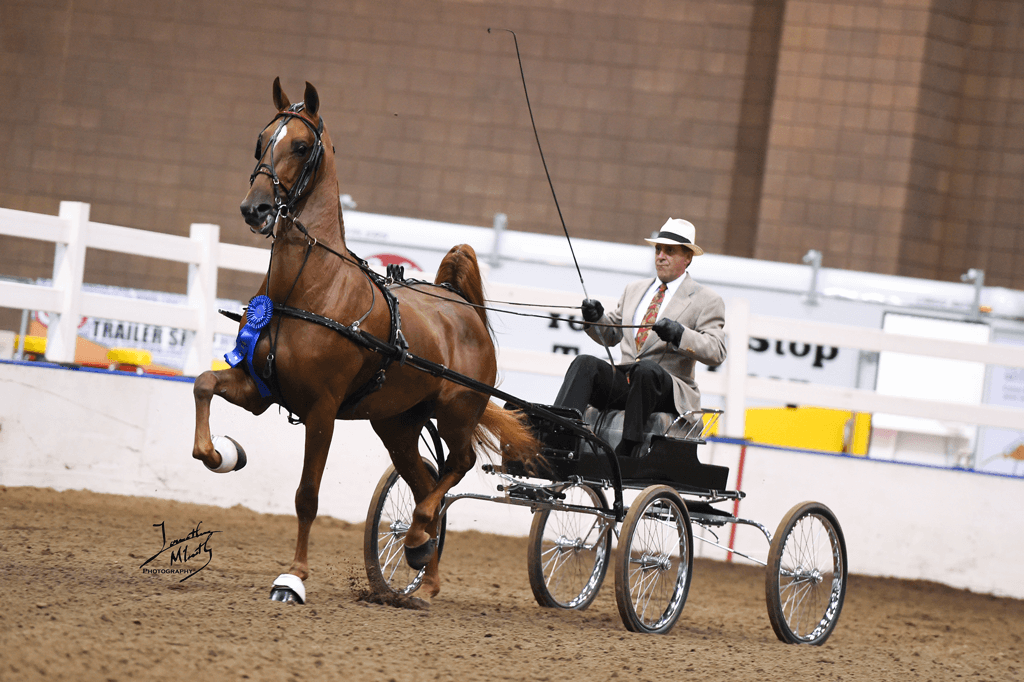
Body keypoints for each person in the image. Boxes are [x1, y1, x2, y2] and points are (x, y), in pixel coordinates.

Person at [553, 218, 727, 457]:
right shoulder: (635, 289)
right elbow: (612, 333)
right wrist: (595, 319)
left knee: (646, 370)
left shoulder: (706, 300)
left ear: (687, 258)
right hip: (627, 382)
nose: (661, 256)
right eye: (658, 249)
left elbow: (717, 351)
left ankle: (630, 446)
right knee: (585, 363)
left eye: (670, 251)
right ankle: (558, 434)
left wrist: (680, 335)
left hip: (666, 388)